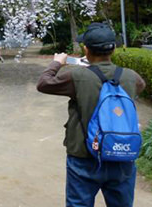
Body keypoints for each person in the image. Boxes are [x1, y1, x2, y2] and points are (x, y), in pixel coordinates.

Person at [36, 22, 146, 207]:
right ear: (114, 49)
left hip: (84, 155)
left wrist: (57, 62)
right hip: (122, 152)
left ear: (86, 49)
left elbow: (44, 84)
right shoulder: (130, 76)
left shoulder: (77, 75)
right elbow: (140, 87)